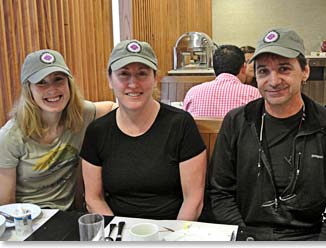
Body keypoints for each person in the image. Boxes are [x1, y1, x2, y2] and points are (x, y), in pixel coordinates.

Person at [206, 28, 326, 240]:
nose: (274, 80)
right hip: (246, 233)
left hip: (308, 237)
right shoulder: (237, 122)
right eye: (263, 71)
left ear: (305, 71)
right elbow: (219, 192)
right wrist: (244, 238)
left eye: (284, 69)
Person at [80, 40, 207, 220]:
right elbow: (94, 199)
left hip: (171, 229)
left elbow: (193, 200)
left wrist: (174, 239)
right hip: (118, 230)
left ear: (155, 78)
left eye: (142, 74)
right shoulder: (97, 131)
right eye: (124, 74)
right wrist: (116, 235)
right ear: (110, 80)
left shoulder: (180, 124)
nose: (133, 83)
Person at [0, 49, 116, 210]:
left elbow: (112, 107)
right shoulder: (10, 136)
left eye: (58, 80)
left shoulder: (82, 114)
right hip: (29, 220)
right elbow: (6, 204)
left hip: (69, 216)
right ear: (29, 89)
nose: (52, 89)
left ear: (69, 84)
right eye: (41, 82)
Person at [183, 45, 261, 118]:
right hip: (236, 133)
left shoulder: (192, 93)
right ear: (243, 68)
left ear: (214, 68)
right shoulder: (254, 94)